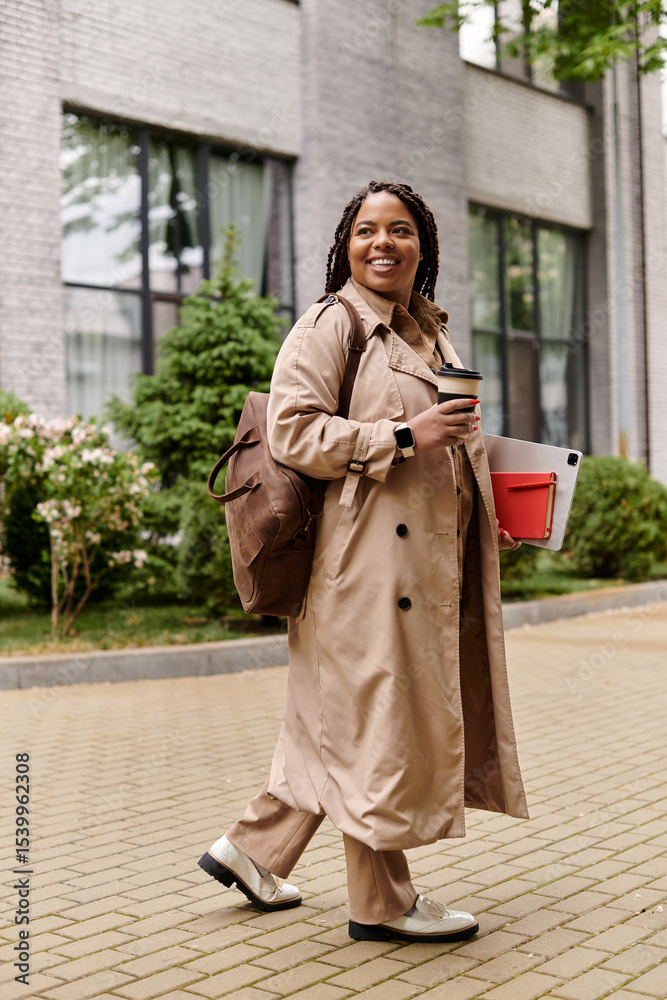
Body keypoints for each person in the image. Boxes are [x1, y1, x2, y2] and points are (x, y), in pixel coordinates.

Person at [198, 180, 528, 943]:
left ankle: (252, 851)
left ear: (423, 246)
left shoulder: (429, 333)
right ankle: (380, 904)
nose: (383, 243)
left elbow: (449, 446)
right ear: (346, 246)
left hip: (410, 565)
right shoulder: (330, 323)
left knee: (333, 722)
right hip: (358, 569)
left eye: (400, 229)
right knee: (373, 724)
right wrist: (403, 436)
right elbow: (294, 433)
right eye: (366, 230)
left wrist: (485, 515)